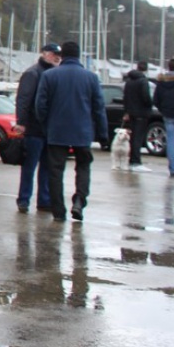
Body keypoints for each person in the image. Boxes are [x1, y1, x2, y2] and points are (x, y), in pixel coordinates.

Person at [35, 40, 108, 222]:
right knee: (83, 167)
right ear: (78, 55)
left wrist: (45, 125)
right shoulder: (91, 78)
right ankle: (79, 201)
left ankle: (58, 211)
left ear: (63, 55)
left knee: (55, 171)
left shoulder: (50, 76)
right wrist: (103, 134)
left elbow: (40, 105)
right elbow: (99, 107)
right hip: (82, 131)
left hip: (56, 130)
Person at [12, 42, 62, 212]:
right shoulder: (33, 73)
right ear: (44, 53)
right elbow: (23, 99)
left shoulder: (54, 74)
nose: (56, 57)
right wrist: (21, 122)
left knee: (47, 168)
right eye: (53, 54)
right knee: (29, 167)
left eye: (58, 55)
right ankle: (24, 199)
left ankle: (44, 200)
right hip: (34, 129)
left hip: (49, 129)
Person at [122, 60, 154, 171]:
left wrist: (127, 111)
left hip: (131, 113)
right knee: (138, 138)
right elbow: (146, 97)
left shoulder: (129, 81)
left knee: (133, 137)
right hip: (141, 113)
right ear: (145, 69)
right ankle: (136, 161)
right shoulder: (143, 81)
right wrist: (150, 104)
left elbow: (125, 98)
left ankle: (132, 160)